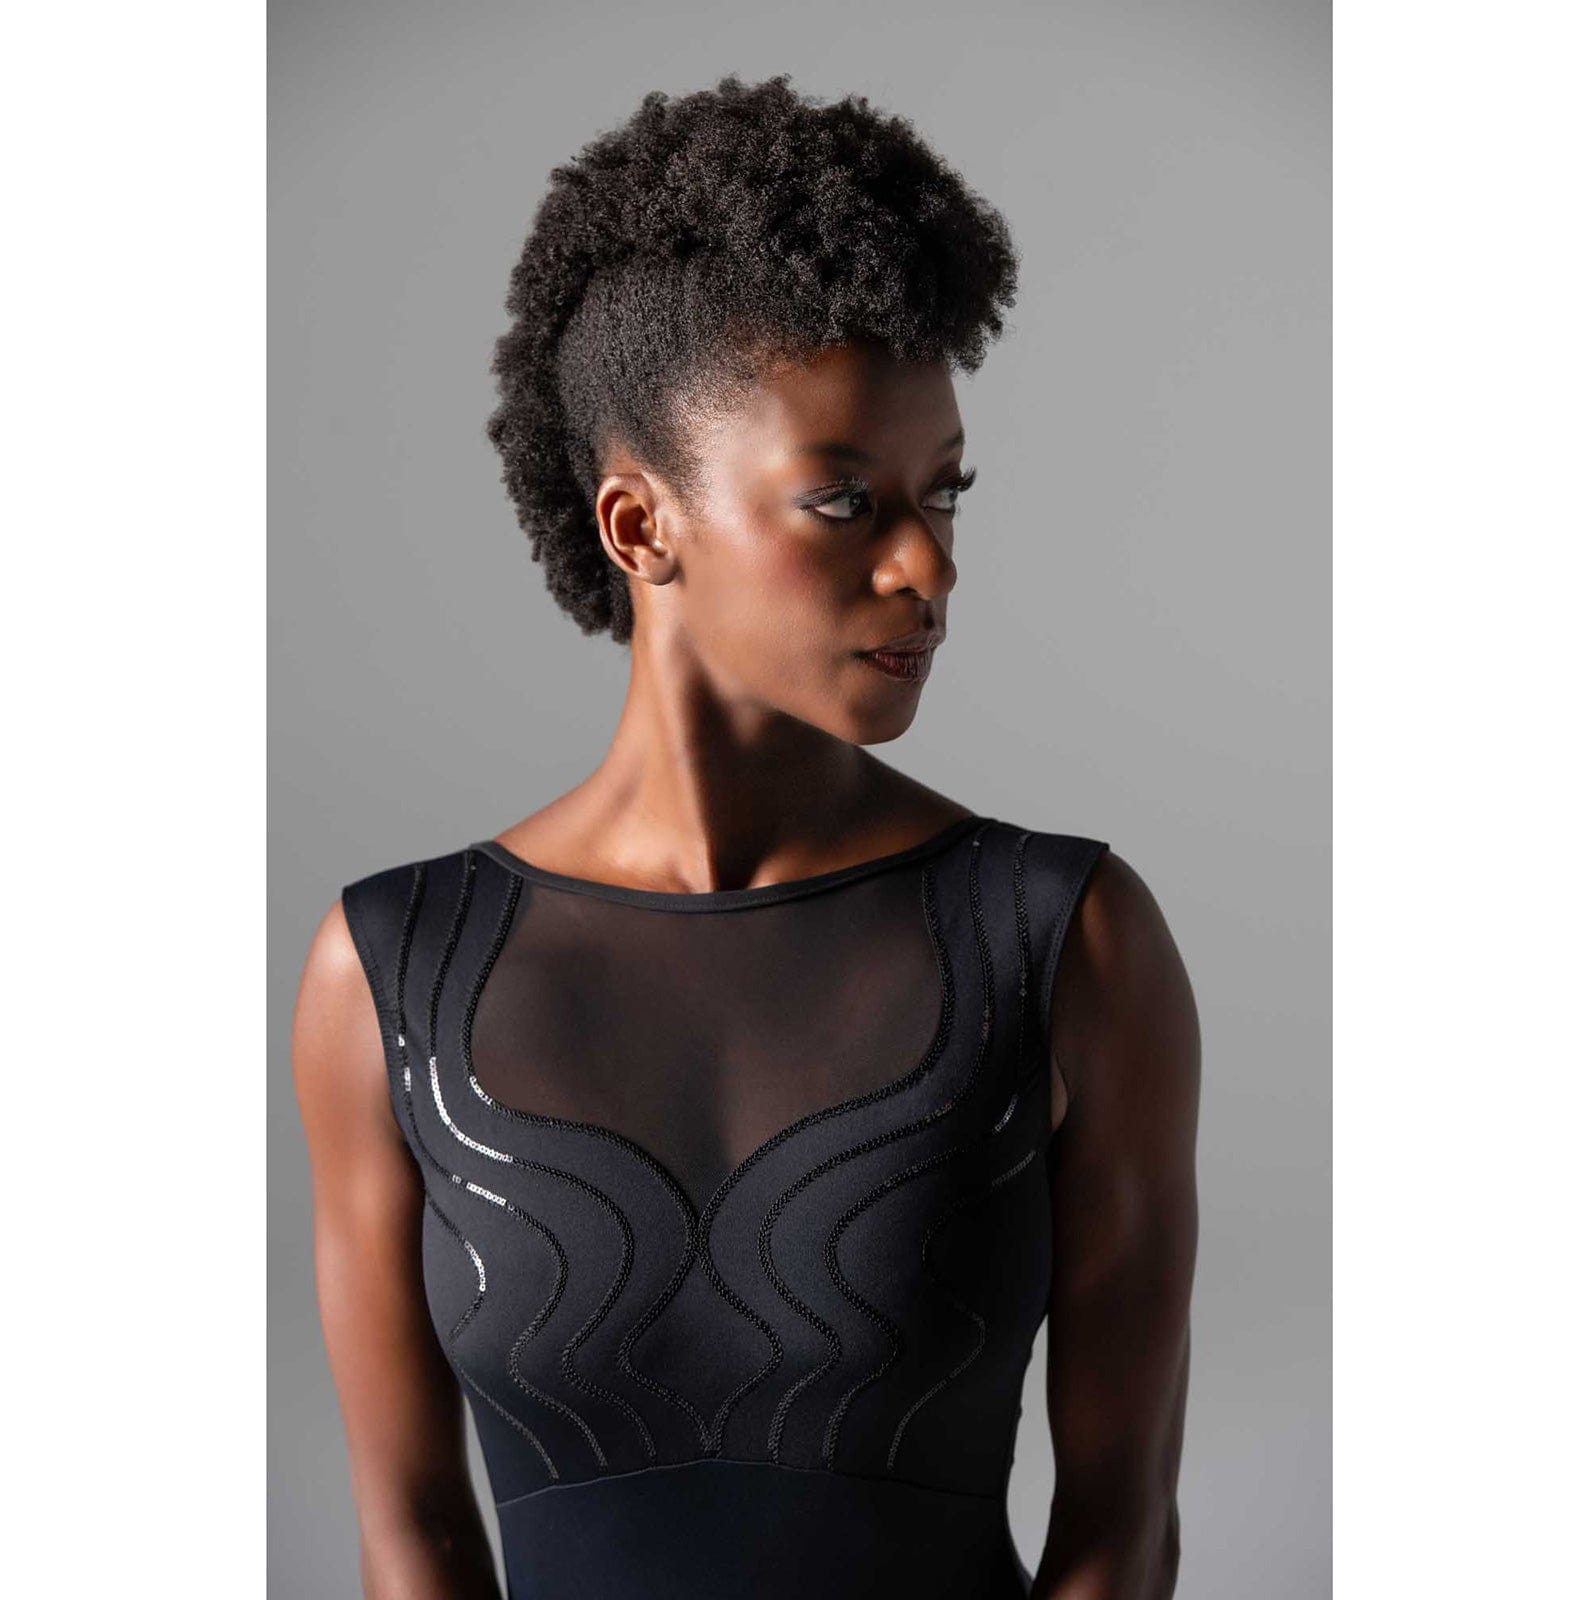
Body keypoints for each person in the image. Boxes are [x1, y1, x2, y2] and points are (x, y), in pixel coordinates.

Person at [293, 73, 1200, 1600]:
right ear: (638, 526)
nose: (928, 566)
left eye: (944, 493)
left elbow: (1118, 1538)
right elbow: (412, 1542)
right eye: (845, 502)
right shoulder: (391, 972)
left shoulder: (1064, 938)